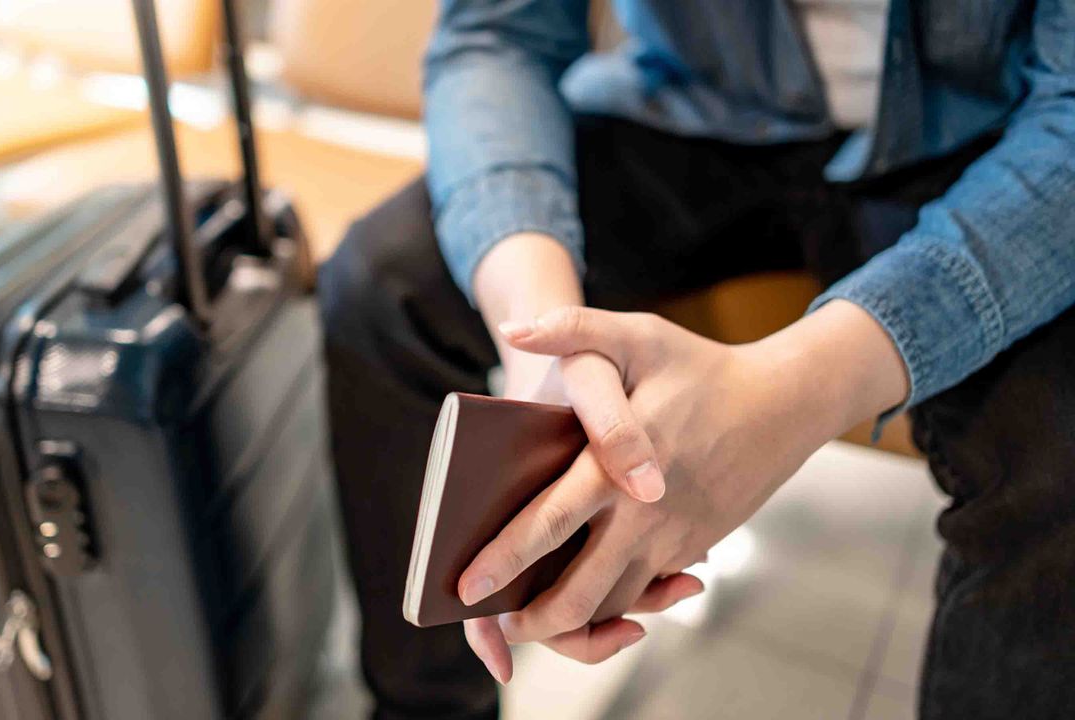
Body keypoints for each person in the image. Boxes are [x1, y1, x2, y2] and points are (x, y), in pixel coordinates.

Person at [317, 0, 1075, 718]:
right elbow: (497, 35)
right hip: (696, 115)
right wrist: (543, 343)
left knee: (1058, 456)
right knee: (383, 289)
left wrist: (795, 394)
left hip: (988, 147)